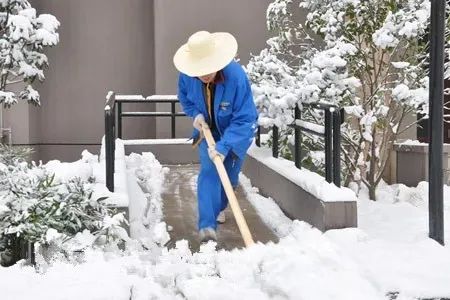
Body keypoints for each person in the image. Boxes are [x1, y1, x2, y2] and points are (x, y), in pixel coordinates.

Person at [173, 31, 258, 242]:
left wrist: (224, 146)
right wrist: (196, 114)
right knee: (209, 173)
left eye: (207, 69)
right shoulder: (187, 75)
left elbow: (245, 119)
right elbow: (184, 97)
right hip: (207, 131)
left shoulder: (235, 77)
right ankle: (207, 227)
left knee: (229, 179)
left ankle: (218, 206)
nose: (203, 75)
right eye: (199, 71)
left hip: (236, 134)